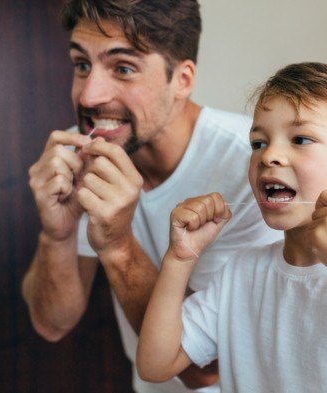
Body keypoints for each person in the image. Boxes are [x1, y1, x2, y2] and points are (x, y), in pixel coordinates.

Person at [137, 62, 327, 392]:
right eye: (258, 143)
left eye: (300, 139)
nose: (270, 155)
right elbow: (156, 364)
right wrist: (179, 259)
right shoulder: (240, 274)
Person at [21, 1, 281, 392]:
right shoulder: (84, 158)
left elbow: (204, 369)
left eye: (123, 68)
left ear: (182, 79)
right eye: (81, 65)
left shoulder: (254, 169)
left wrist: (118, 246)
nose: (90, 97)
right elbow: (52, 323)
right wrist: (56, 234)